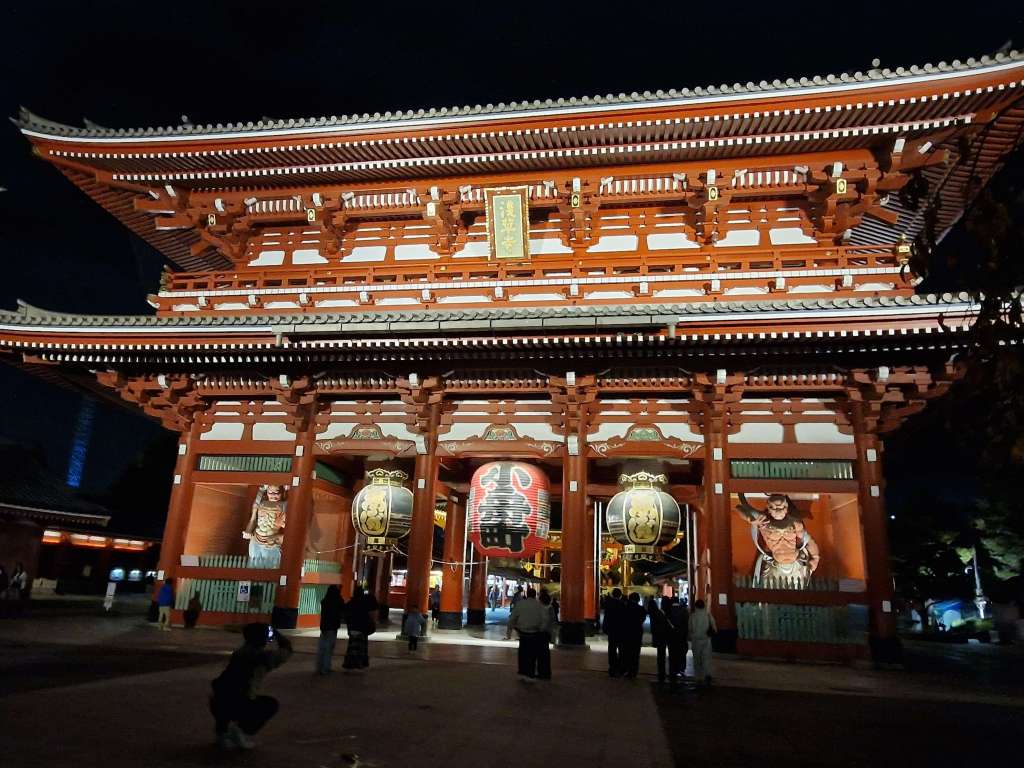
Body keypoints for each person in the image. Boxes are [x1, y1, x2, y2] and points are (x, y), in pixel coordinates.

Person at [210, 622, 292, 750]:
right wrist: (276, 633)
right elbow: (287, 649)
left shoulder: (238, 653)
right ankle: (239, 731)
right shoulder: (265, 657)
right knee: (270, 704)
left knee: (226, 694)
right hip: (241, 703)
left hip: (217, 701)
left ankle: (222, 733)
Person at [243, 485, 287, 568]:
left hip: (271, 541)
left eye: (276, 493)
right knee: (252, 566)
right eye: (270, 492)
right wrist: (248, 531)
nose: (273, 495)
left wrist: (282, 524)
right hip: (255, 539)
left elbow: (292, 529)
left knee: (271, 568)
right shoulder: (260, 503)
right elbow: (253, 519)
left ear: (281, 493)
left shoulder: (284, 506)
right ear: (267, 493)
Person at [509, 587, 547, 681]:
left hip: (522, 633)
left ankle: (522, 671)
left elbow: (512, 618)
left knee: (523, 652)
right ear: (535, 595)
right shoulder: (539, 605)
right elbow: (544, 620)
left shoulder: (520, 604)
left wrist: (509, 632)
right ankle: (530, 672)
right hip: (535, 633)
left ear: (527, 594)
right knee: (532, 653)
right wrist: (541, 629)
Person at [343, 584, 377, 670]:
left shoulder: (350, 603)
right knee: (361, 646)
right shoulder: (365, 603)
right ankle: (360, 663)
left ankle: (350, 663)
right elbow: (371, 613)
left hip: (352, 628)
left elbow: (345, 614)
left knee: (351, 646)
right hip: (362, 628)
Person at [688, 598, 717, 685]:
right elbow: (714, 628)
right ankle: (707, 674)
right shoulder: (708, 615)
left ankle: (698, 677)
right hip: (706, 640)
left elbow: (690, 629)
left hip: (696, 640)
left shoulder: (692, 616)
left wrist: (691, 636)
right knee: (706, 658)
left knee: (697, 659)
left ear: (696, 606)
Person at [316, 585, 344, 675]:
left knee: (322, 648)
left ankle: (319, 667)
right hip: (332, 627)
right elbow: (342, 610)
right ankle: (326, 668)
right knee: (329, 648)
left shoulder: (324, 601)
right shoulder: (337, 601)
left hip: (324, 627)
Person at [622, 592, 647, 678]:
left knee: (627, 651)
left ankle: (627, 669)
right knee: (636, 653)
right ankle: (634, 671)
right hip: (637, 632)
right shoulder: (641, 609)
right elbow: (642, 619)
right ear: (638, 599)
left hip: (627, 632)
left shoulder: (625, 608)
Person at [601, 588, 625, 676]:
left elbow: (606, 617)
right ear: (620, 595)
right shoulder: (623, 604)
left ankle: (612, 667)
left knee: (612, 649)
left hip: (611, 630)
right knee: (621, 649)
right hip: (620, 630)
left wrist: (605, 628)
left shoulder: (608, 604)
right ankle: (620, 667)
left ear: (612, 594)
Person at [666, 597, 690, 683]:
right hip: (681, 636)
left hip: (671, 637)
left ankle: (673, 670)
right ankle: (681, 669)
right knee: (681, 653)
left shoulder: (668, 611)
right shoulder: (683, 611)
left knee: (672, 654)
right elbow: (687, 624)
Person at [647, 597, 670, 682]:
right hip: (668, 638)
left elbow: (655, 628)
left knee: (661, 656)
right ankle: (668, 673)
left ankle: (661, 673)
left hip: (661, 638)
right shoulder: (667, 612)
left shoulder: (658, 613)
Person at [537, 589, 556, 678]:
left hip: (540, 632)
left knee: (540, 654)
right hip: (547, 633)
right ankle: (546, 672)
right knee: (545, 653)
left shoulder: (540, 608)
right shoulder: (550, 608)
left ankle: (541, 672)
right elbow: (552, 622)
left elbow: (542, 621)